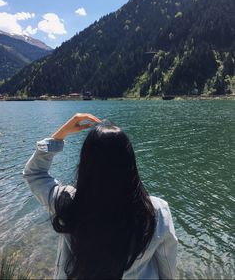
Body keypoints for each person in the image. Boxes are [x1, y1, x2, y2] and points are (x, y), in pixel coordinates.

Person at [23, 113, 177, 279]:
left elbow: (34, 174)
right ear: (129, 163)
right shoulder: (155, 211)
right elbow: (167, 266)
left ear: (85, 163)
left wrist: (61, 135)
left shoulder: (68, 203)